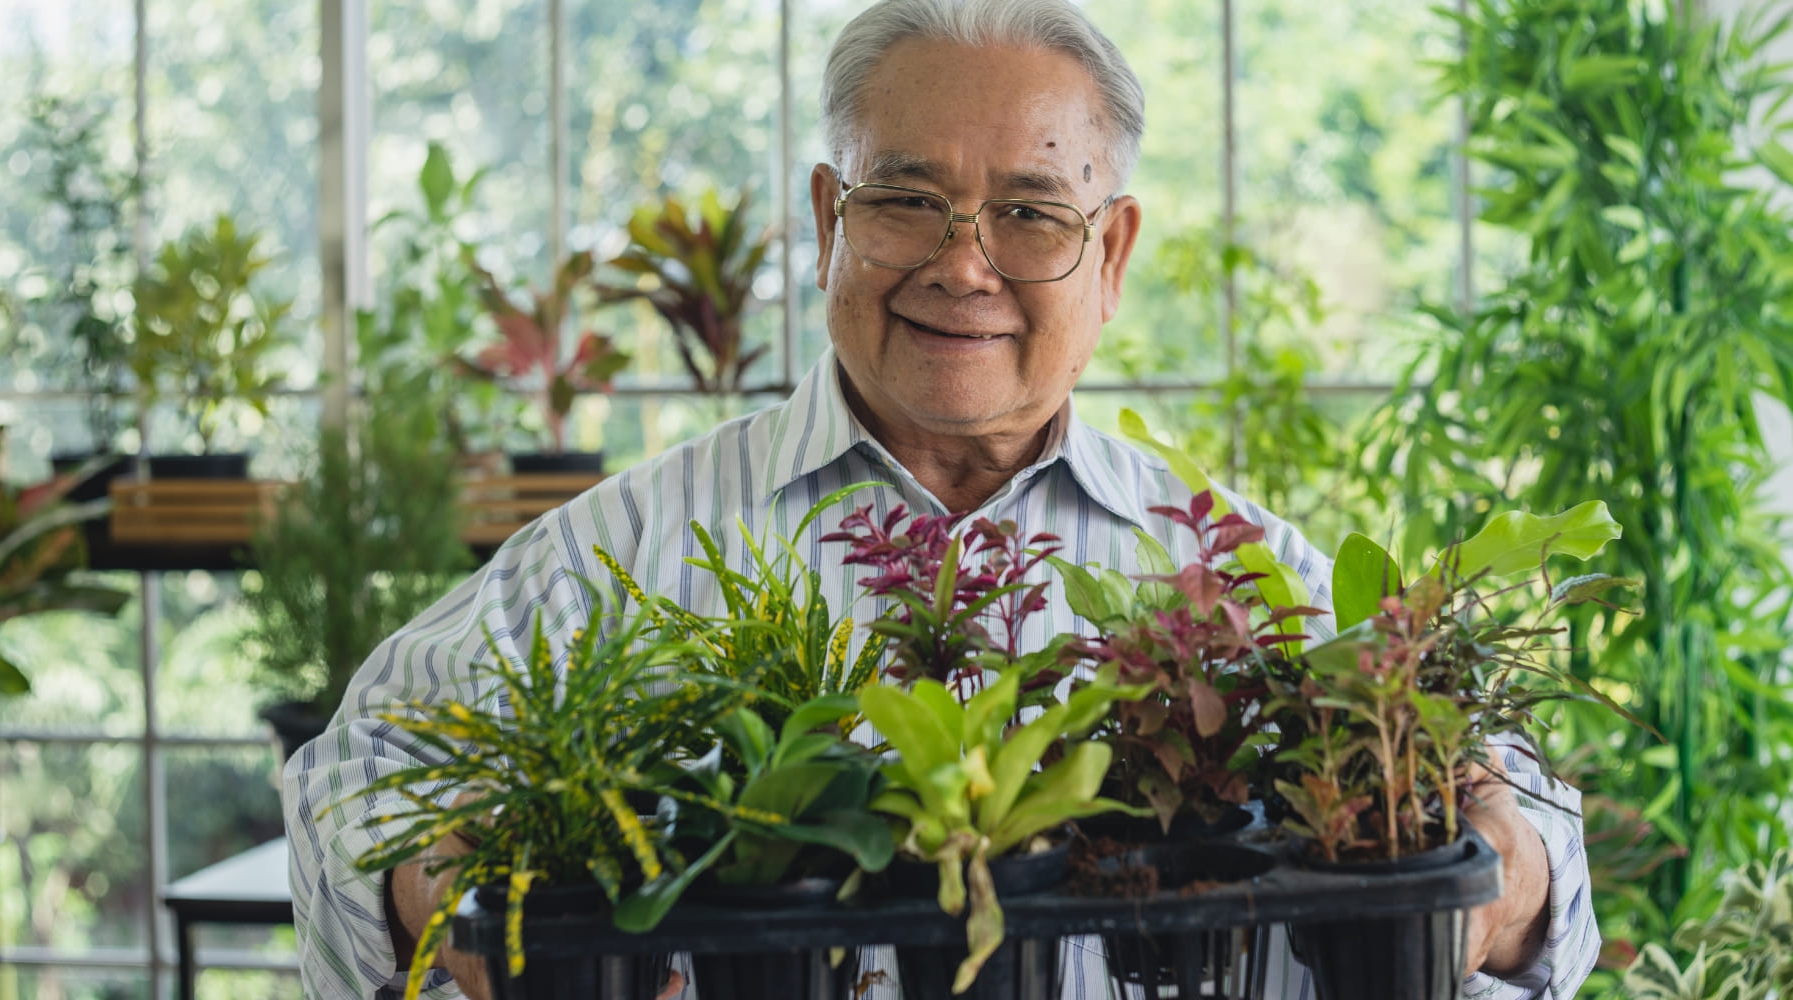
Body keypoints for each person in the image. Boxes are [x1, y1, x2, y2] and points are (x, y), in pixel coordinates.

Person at [284, 1, 1599, 997]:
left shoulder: (1230, 573)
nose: (963, 265)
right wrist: (467, 911)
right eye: (907, 199)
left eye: (1030, 213)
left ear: (1113, 253)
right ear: (828, 223)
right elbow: (350, 786)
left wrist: (1492, 872)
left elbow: (1537, 852)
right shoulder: (630, 550)